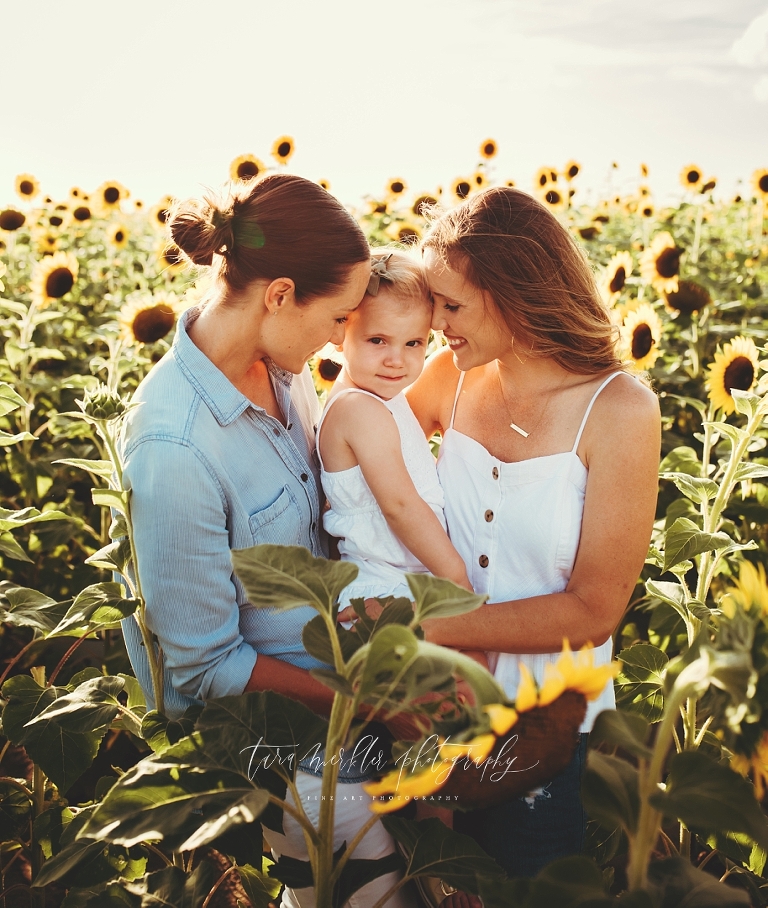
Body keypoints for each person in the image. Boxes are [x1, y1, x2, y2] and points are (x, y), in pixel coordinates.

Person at [117, 173, 415, 908]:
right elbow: (205, 667)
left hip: (345, 682)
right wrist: (367, 704)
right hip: (279, 737)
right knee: (374, 891)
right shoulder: (174, 447)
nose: (337, 336)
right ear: (280, 294)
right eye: (337, 315)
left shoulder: (283, 373)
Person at [407, 186, 660, 879]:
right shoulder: (447, 378)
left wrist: (431, 630)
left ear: (512, 294)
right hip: (429, 707)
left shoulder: (619, 410)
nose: (438, 325)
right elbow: (364, 444)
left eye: (451, 305)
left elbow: (594, 612)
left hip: (543, 727)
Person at [318, 249, 475, 609]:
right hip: (383, 588)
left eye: (413, 343)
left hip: (402, 578)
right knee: (465, 661)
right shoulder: (359, 409)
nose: (396, 359)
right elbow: (400, 506)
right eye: (377, 340)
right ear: (341, 331)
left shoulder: (378, 397)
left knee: (473, 660)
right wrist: (456, 578)